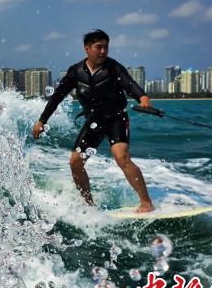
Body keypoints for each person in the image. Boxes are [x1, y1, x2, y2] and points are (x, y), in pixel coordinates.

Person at [32, 29, 155, 213]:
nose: (104, 51)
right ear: (87, 49)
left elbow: (129, 84)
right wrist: (42, 121)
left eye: (106, 47)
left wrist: (142, 98)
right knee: (75, 162)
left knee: (121, 157)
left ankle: (146, 202)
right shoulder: (76, 72)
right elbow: (57, 97)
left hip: (116, 119)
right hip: (94, 121)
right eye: (99, 47)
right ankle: (88, 205)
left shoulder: (113, 67)